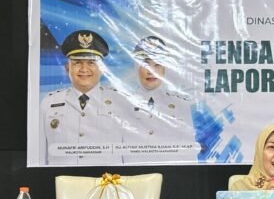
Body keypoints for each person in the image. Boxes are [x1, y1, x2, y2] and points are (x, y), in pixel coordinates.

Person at [40, 29, 128, 165]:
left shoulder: (121, 102)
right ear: (67, 68)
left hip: (106, 177)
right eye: (77, 62)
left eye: (91, 62)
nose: (84, 69)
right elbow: (39, 154)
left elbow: (129, 154)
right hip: (62, 177)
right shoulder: (48, 103)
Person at [122, 36, 198, 163]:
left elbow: (188, 152)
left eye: (157, 64)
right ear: (136, 67)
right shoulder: (122, 102)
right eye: (145, 64)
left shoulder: (181, 104)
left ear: (164, 68)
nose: (151, 71)